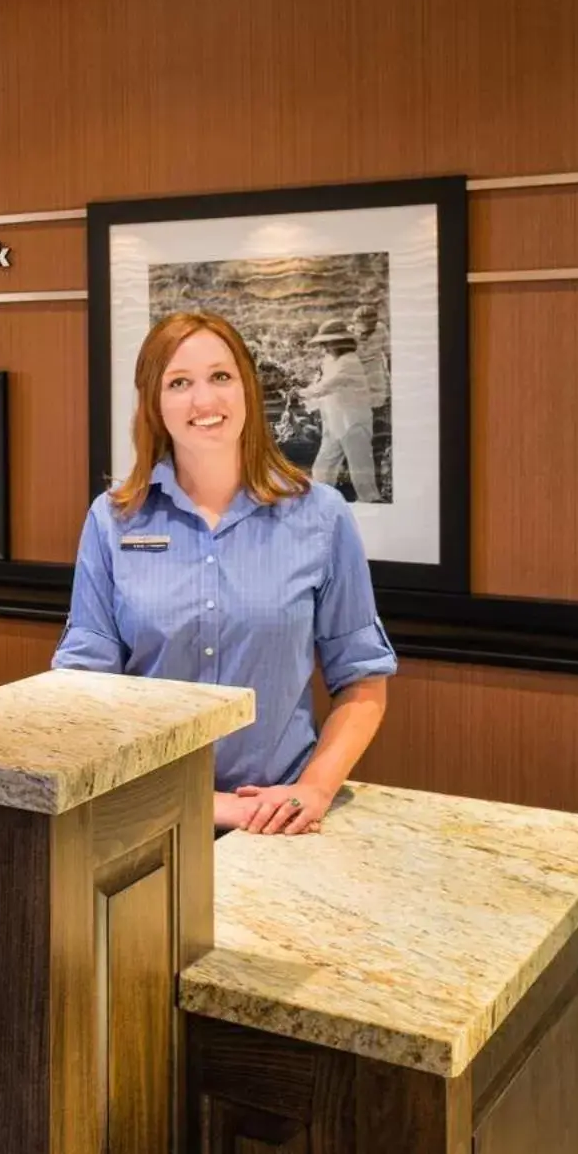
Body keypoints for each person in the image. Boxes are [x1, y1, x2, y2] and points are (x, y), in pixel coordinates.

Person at [55, 311, 396, 835]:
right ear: (154, 404)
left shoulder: (322, 516)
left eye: (220, 377)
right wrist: (208, 806)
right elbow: (82, 690)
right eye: (179, 383)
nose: (205, 401)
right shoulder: (113, 518)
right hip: (144, 821)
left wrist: (315, 788)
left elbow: (363, 684)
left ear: (247, 389)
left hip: (277, 825)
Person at [300, 317, 385, 503]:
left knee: (360, 469)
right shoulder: (329, 361)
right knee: (322, 468)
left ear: (340, 343)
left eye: (327, 343)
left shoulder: (349, 362)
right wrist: (307, 397)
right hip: (335, 422)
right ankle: (320, 503)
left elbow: (328, 386)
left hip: (353, 422)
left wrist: (301, 393)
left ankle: (371, 502)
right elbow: (320, 386)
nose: (324, 348)